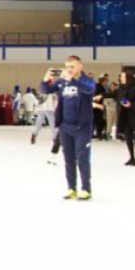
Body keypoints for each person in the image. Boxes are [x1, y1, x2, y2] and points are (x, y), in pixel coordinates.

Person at [41, 56, 96, 200]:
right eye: (67, 67)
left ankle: (86, 188)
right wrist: (46, 79)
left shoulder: (87, 81)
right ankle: (71, 188)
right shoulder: (61, 82)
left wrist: (72, 80)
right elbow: (46, 90)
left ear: (80, 66)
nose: (69, 69)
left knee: (82, 158)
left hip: (82, 127)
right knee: (68, 159)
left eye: (72, 66)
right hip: (65, 127)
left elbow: (89, 90)